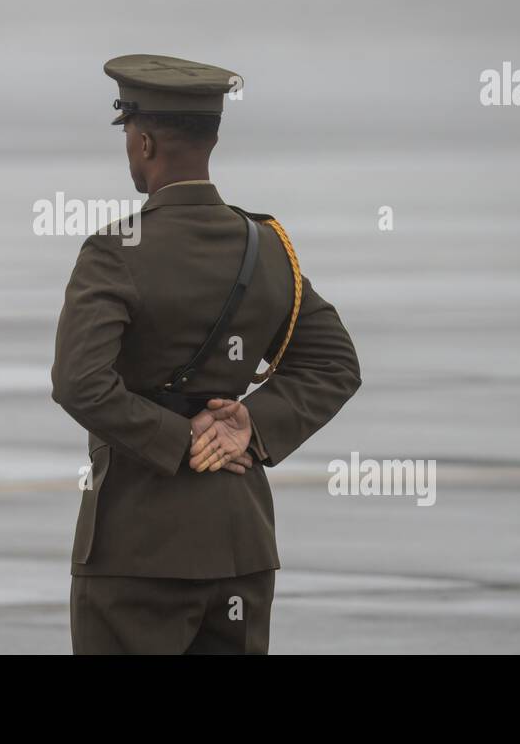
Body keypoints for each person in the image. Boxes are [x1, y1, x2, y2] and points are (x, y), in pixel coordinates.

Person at [51, 53, 362, 654]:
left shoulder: (115, 251)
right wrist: (251, 424)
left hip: (136, 551)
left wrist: (178, 440)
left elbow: (79, 382)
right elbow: (334, 364)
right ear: (211, 137)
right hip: (239, 546)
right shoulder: (266, 248)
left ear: (142, 142)